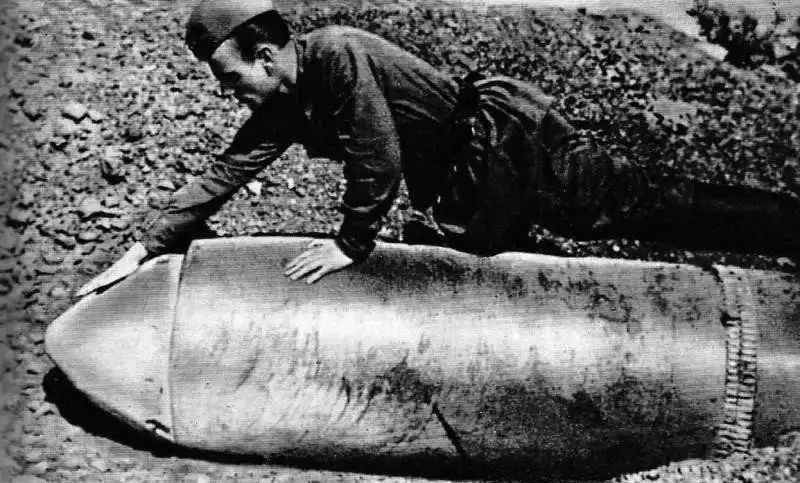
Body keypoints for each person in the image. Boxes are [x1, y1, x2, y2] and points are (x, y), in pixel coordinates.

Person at [79, 0, 800, 294]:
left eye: (231, 78)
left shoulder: (337, 55)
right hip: (472, 181)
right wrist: (145, 247)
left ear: (265, 56)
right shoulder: (284, 100)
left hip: (512, 150)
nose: (228, 93)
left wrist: (351, 244)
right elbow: (225, 172)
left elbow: (378, 156)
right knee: (501, 266)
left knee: (645, 203)